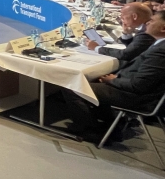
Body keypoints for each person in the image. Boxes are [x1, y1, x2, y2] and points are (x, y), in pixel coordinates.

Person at [62, 10, 165, 139]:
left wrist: (112, 80)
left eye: (153, 21)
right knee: (91, 80)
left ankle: (90, 130)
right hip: (134, 89)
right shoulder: (159, 44)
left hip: (137, 97)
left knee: (73, 86)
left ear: (163, 28)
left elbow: (139, 85)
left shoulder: (161, 51)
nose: (148, 22)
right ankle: (112, 123)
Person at [87, 3, 154, 66]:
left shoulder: (147, 32)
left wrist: (96, 48)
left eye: (123, 17)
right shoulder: (146, 27)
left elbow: (125, 55)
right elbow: (134, 49)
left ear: (134, 16)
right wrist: (127, 33)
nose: (122, 20)